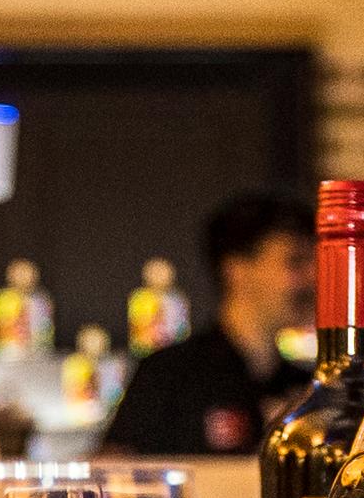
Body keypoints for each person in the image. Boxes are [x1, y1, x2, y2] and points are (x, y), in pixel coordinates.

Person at [101, 189, 314, 458]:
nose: (314, 278)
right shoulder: (168, 375)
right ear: (236, 270)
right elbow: (114, 473)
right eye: (296, 262)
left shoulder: (305, 386)